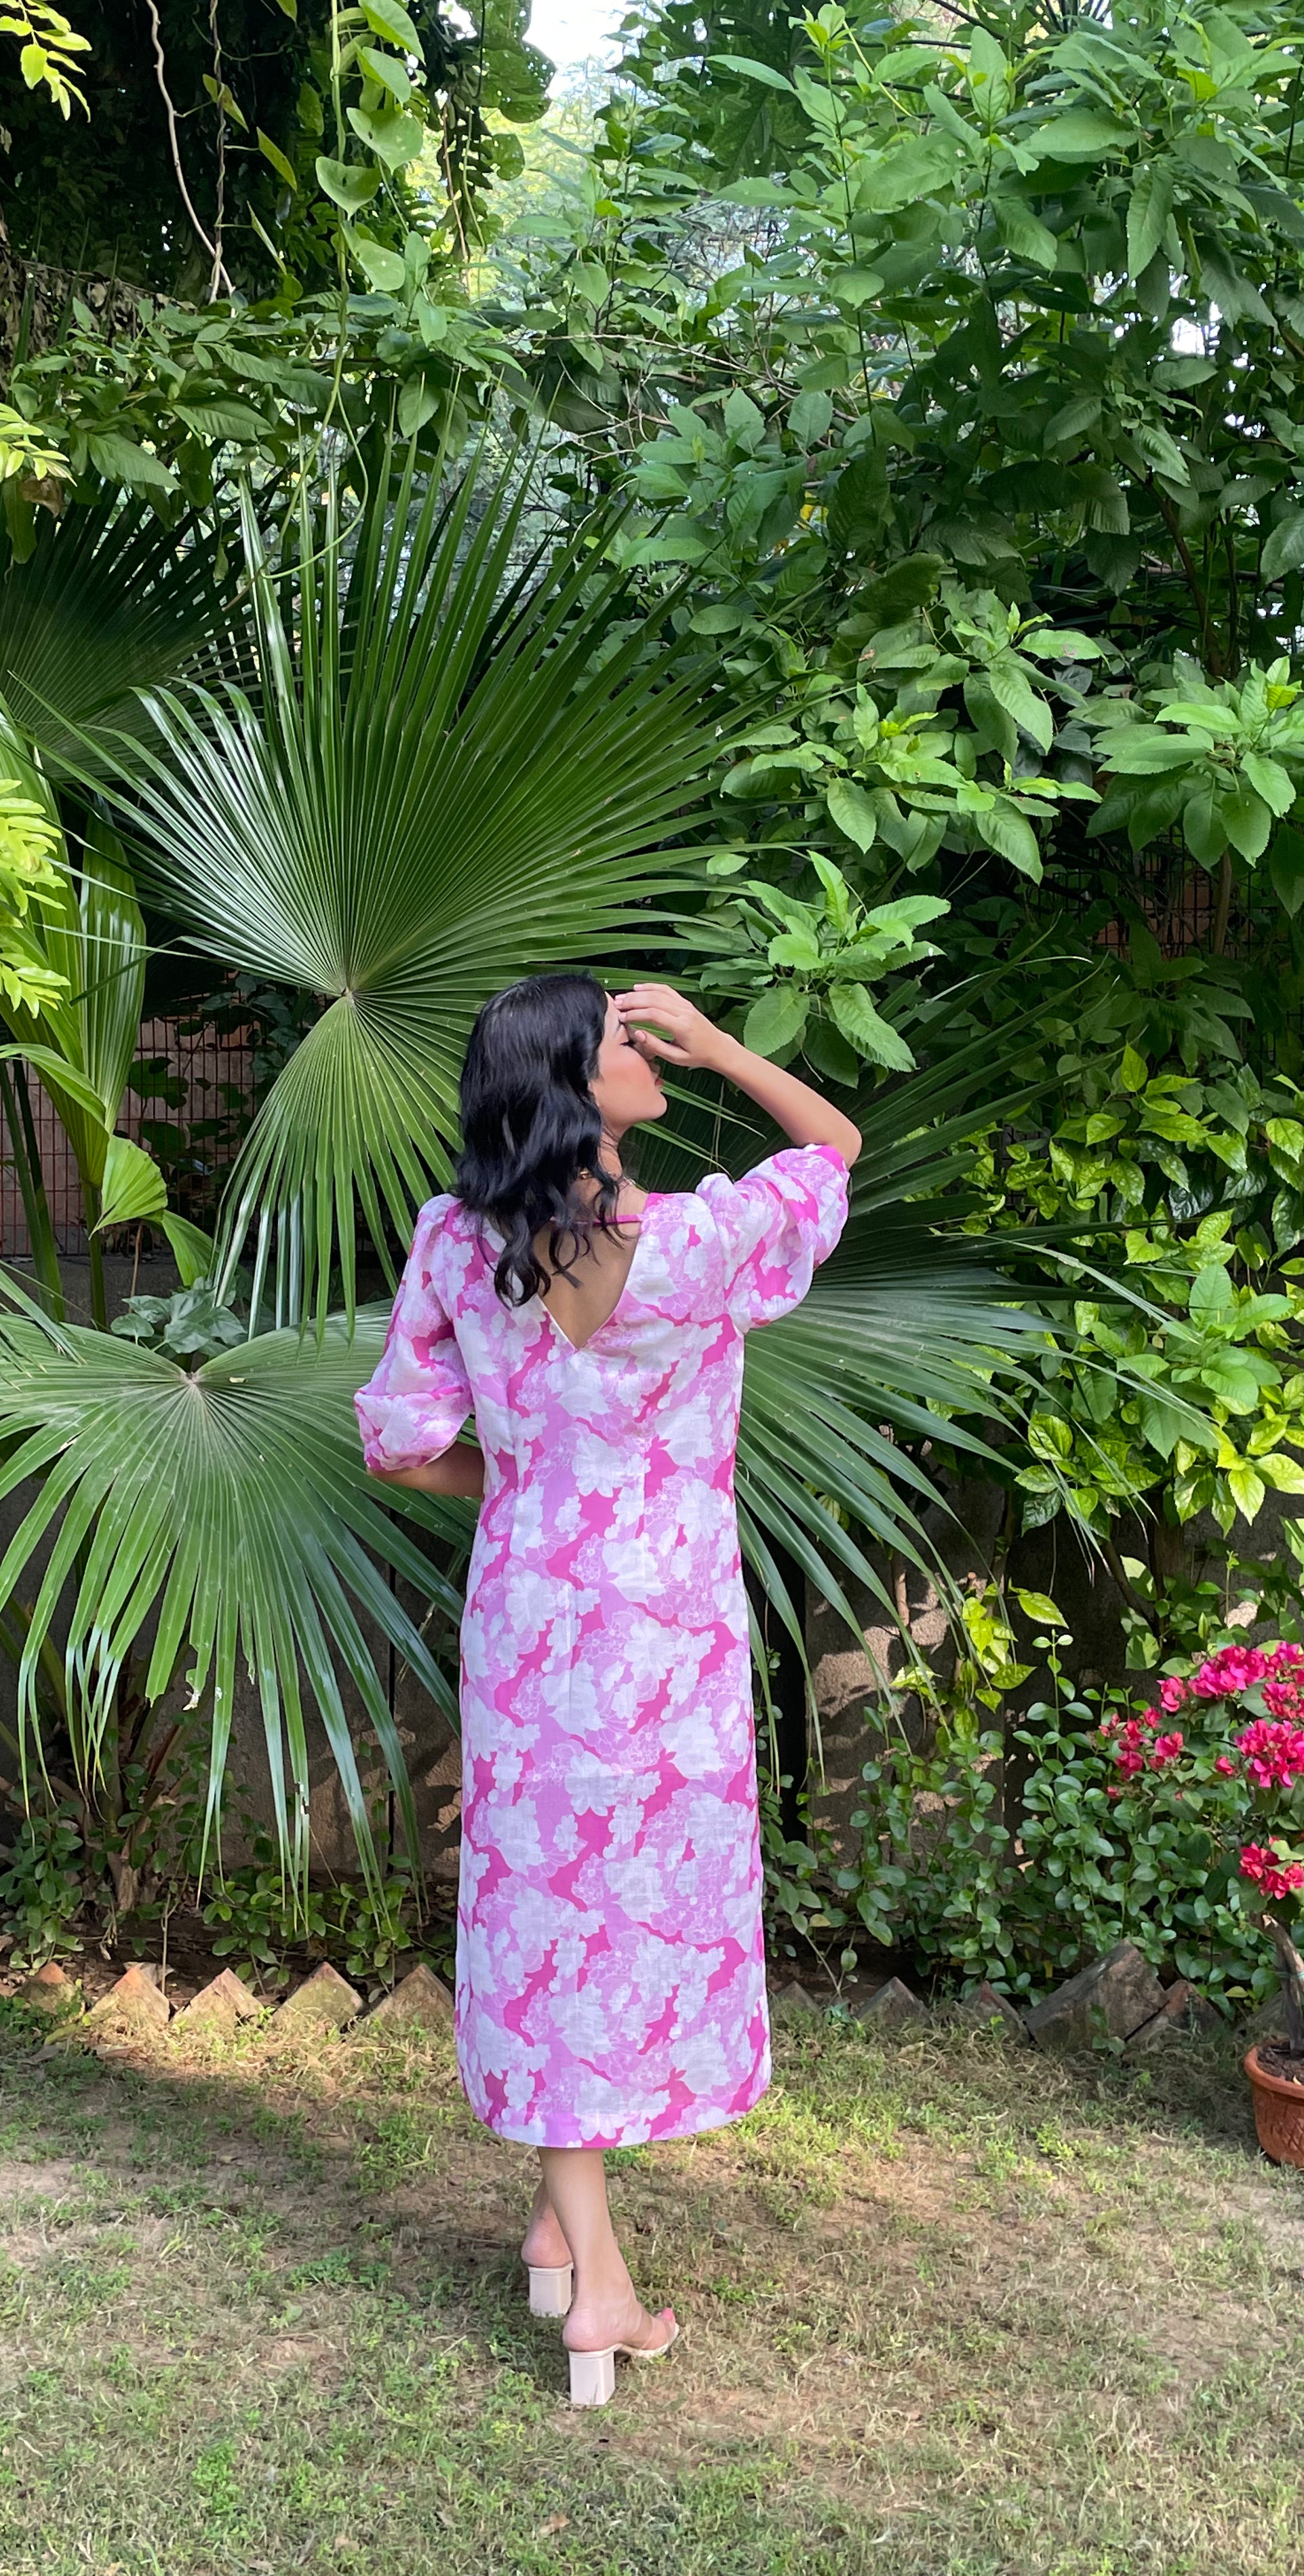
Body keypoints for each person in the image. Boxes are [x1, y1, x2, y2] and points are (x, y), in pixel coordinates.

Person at [353, 975, 860, 2407]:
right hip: (666, 1635)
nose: (649, 1056)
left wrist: (518, 1477)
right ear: (579, 1084)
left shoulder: (457, 1239)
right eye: (628, 1044)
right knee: (613, 1922)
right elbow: (833, 1152)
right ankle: (603, 2296)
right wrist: (726, 1048)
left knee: (545, 1924)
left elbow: (397, 1441)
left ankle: (548, 2225)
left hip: (530, 1626)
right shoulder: (690, 1241)